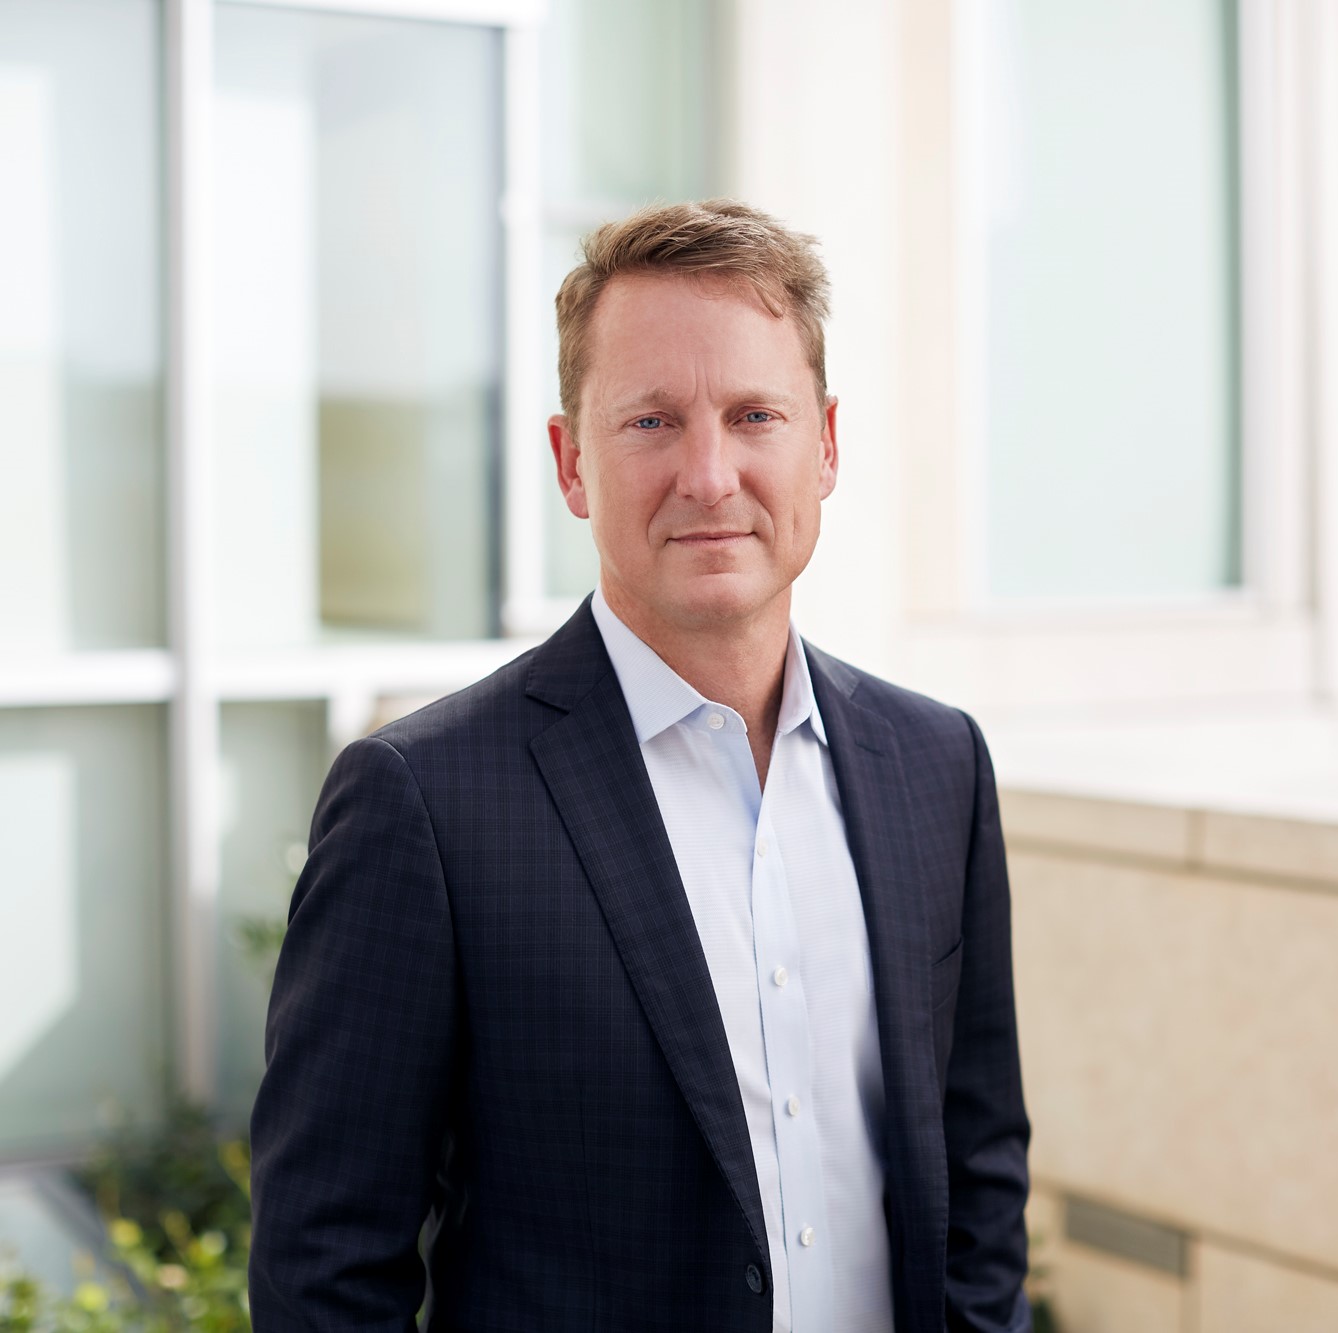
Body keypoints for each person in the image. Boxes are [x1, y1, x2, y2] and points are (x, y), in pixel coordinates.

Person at [249, 199, 1031, 1333]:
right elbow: (325, 1265)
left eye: (753, 414)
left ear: (826, 447)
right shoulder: (423, 802)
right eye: (652, 422)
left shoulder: (934, 763)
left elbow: (977, 1168)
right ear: (571, 463)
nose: (709, 475)